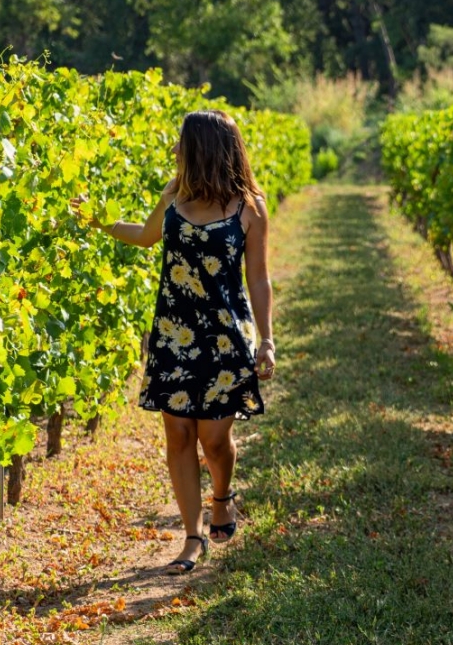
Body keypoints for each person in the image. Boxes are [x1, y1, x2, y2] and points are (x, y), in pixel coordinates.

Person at [69, 110, 276, 574]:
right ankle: (191, 537)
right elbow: (144, 237)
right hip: (173, 333)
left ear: (203, 148)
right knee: (179, 435)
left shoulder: (249, 207)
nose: (176, 151)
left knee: (214, 439)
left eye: (183, 143)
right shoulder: (174, 195)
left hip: (225, 337)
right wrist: (98, 222)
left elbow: (258, 279)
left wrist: (267, 340)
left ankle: (222, 495)